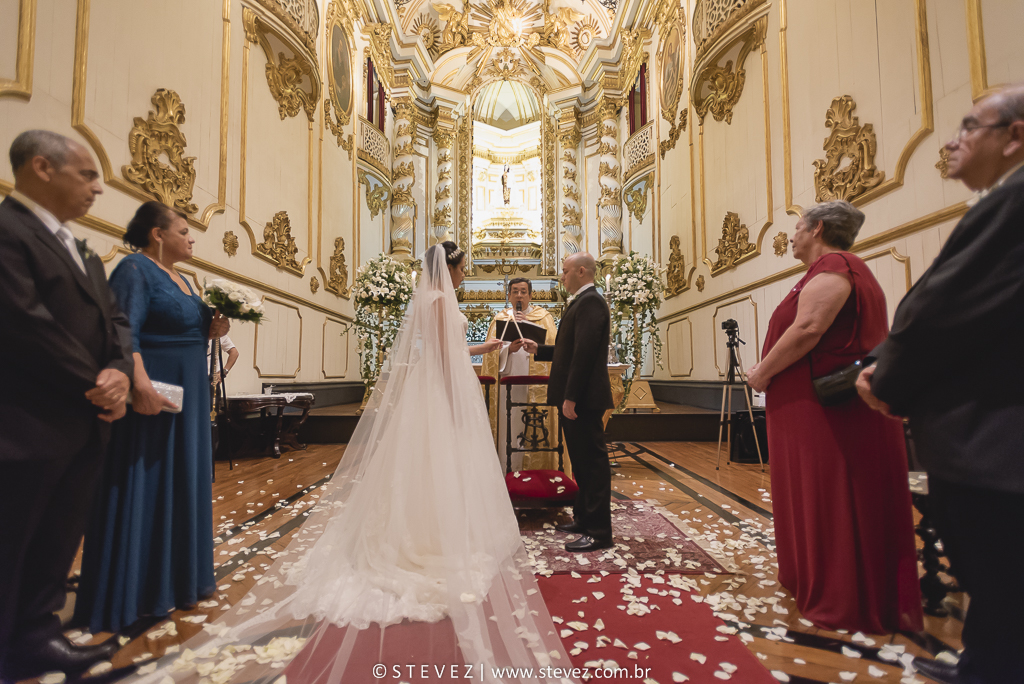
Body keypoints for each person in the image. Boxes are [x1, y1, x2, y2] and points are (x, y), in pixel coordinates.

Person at [131, 241, 570, 684]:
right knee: (436, 460)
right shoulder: (440, 299)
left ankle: (431, 526)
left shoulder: (434, 298)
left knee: (427, 465)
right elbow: (443, 356)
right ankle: (431, 537)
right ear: (448, 267)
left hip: (434, 385)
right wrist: (458, 393)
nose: (463, 275)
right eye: (461, 268)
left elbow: (450, 350)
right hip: (439, 389)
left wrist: (484, 347)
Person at [858, 85, 1024, 684]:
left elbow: (943, 311)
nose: (952, 141)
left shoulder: (1013, 202)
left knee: (998, 579)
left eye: (969, 127)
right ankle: (984, 662)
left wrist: (887, 378)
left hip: (989, 441)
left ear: (1015, 137)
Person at [745, 201, 923, 634]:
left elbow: (809, 329)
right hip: (810, 408)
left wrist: (761, 373)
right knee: (815, 493)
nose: (791, 236)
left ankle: (840, 595)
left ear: (817, 228)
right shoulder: (827, 270)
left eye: (796, 227)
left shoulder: (836, 268)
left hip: (825, 412)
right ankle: (815, 578)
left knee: (829, 495)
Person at [0, 130, 133, 680]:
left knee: (56, 537)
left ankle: (35, 637)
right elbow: (25, 321)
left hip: (84, 420)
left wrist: (120, 372)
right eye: (87, 174)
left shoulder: (84, 252)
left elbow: (115, 322)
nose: (98, 188)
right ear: (42, 167)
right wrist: (97, 384)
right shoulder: (8, 230)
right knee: (15, 539)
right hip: (29, 421)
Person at [73, 201, 229, 633]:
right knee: (147, 478)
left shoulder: (184, 280)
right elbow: (124, 333)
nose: (191, 238)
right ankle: (134, 591)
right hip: (154, 390)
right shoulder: (135, 270)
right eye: (183, 231)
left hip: (189, 393)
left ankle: (178, 581)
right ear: (158, 234)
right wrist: (139, 383)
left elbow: (192, 331)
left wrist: (214, 328)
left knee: (184, 480)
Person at [525, 252, 614, 552]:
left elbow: (584, 355)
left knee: (592, 465)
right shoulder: (582, 301)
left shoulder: (591, 302)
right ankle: (584, 519)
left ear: (581, 271)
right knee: (581, 463)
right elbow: (570, 349)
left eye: (565, 271)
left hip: (583, 398)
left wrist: (571, 397)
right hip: (579, 396)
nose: (561, 277)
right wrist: (539, 349)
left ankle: (599, 532)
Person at [480, 278, 558, 471]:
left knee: (534, 424)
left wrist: (532, 332)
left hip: (535, 384)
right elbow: (490, 355)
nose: (519, 296)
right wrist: (508, 350)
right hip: (509, 383)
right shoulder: (500, 319)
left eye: (523, 291)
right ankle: (506, 467)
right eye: (515, 291)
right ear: (509, 295)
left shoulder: (543, 318)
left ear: (530, 295)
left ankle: (535, 470)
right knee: (510, 424)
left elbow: (554, 348)